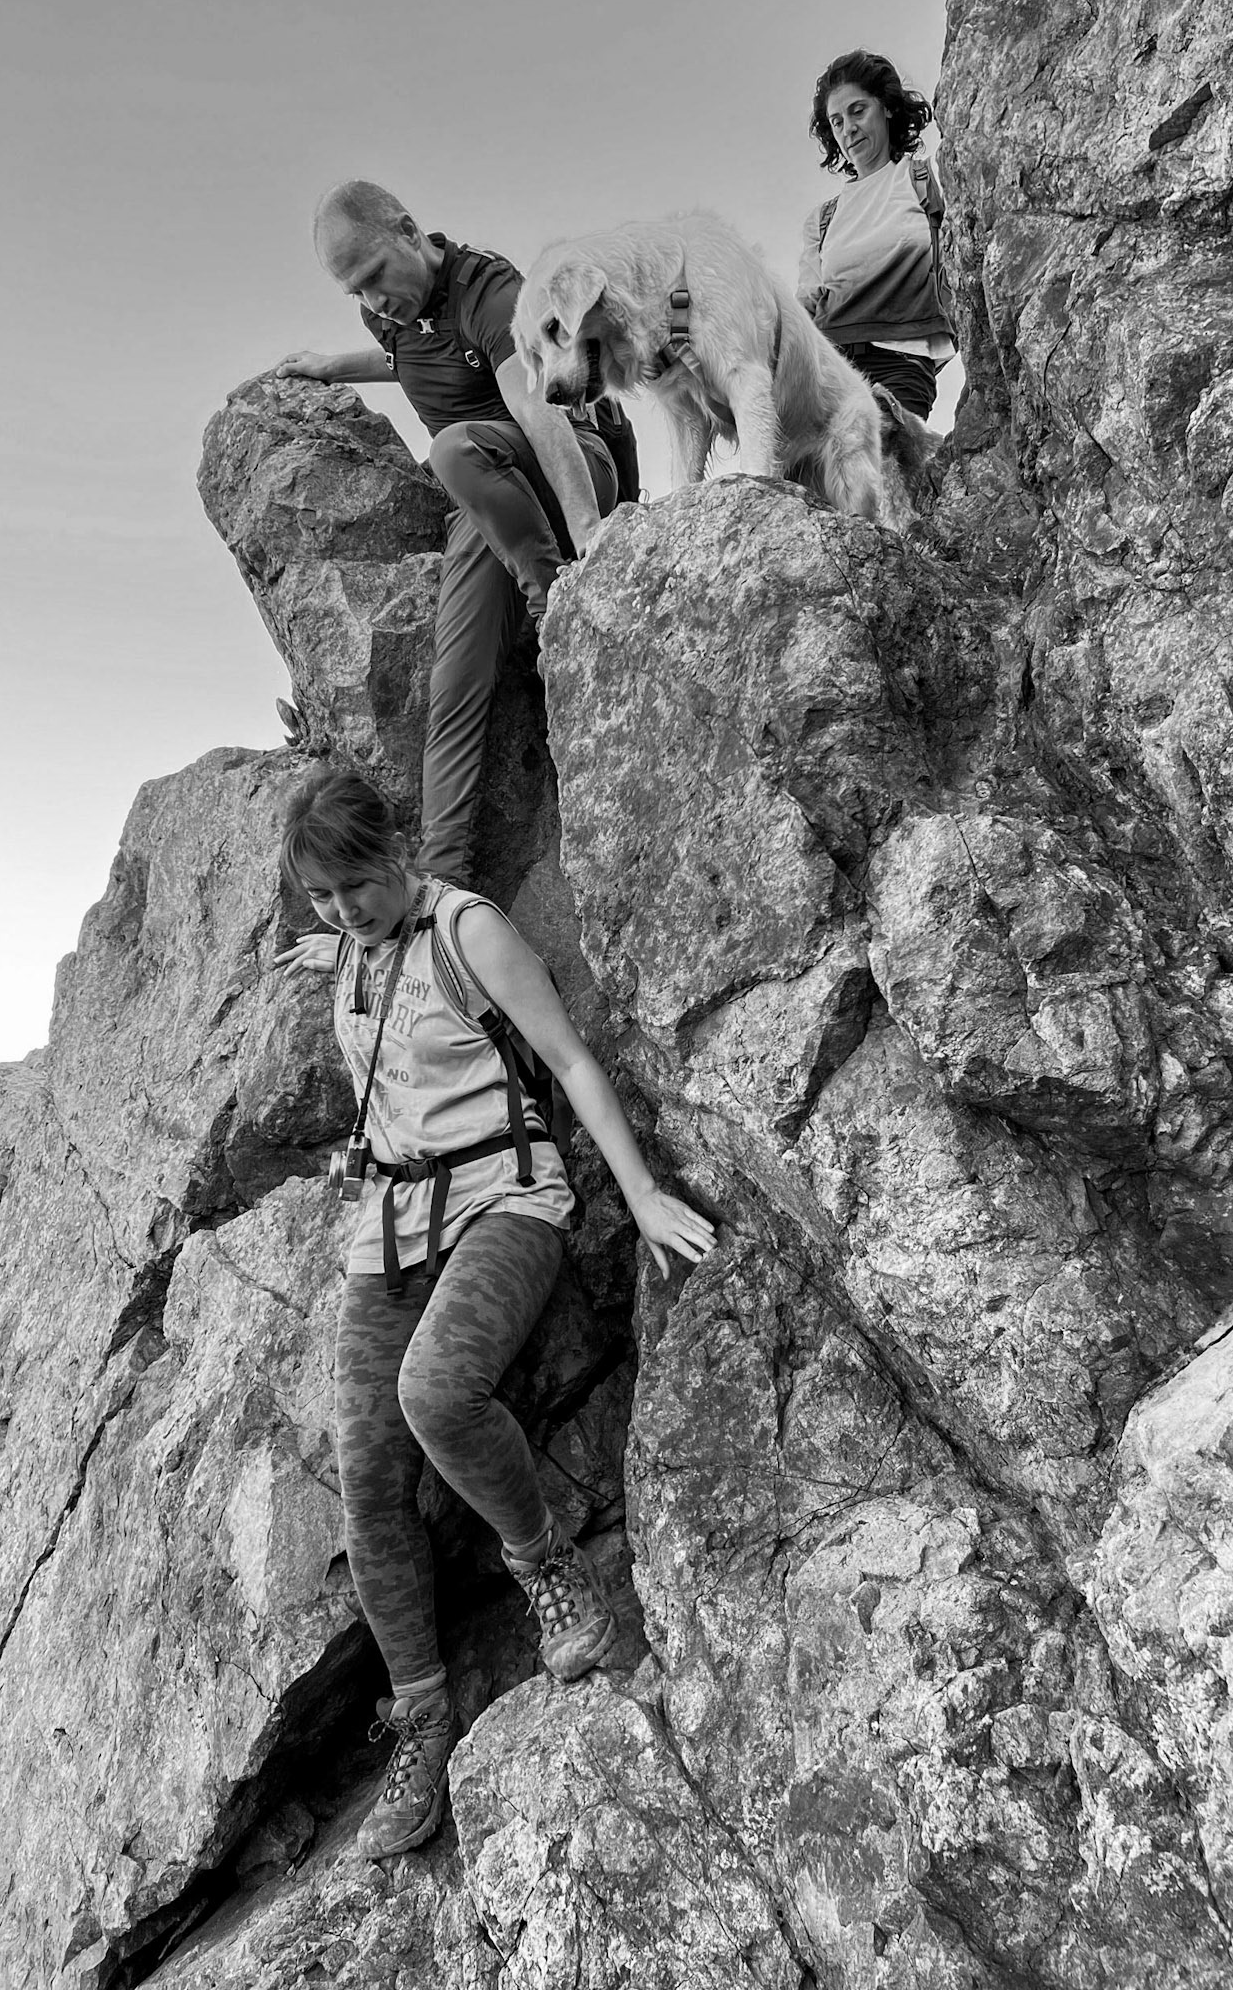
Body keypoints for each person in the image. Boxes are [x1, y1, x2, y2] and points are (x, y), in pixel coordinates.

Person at [277, 769, 715, 1861]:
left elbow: (567, 1057)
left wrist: (646, 1189)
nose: (344, 909)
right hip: (391, 1227)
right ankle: (419, 1717)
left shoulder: (466, 929)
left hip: (507, 1200)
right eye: (321, 896)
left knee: (435, 1391)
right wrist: (328, 942)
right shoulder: (351, 948)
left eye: (358, 884)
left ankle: (546, 1566)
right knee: (366, 1467)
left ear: (397, 848)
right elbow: (346, 947)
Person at [275, 181, 619, 883]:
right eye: (354, 293)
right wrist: (334, 366)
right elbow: (409, 356)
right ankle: (444, 882)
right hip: (485, 501)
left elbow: (538, 413)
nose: (372, 301)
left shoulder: (491, 294)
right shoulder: (391, 316)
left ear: (408, 231)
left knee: (453, 449)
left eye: (374, 277)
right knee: (454, 684)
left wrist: (590, 532)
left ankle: (551, 600)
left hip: (560, 465)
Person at [797, 51, 958, 423]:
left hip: (902, 365)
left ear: (885, 107)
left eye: (857, 111)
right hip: (828, 371)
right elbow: (804, 307)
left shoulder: (925, 180)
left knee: (882, 470)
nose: (848, 129)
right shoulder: (822, 219)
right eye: (836, 122)